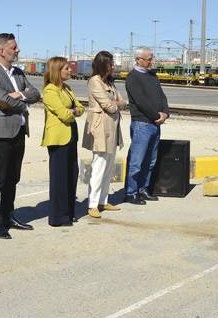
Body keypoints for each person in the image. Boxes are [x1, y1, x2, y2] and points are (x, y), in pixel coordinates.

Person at [0, 33, 41, 239]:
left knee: (12, 178)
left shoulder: (18, 73)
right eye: (14, 48)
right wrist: (22, 101)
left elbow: (35, 93)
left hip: (19, 131)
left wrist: (20, 94)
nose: (18, 50)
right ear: (2, 50)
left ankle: (8, 215)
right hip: (0, 133)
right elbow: (3, 101)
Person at [82, 51, 127, 218]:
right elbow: (111, 106)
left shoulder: (109, 82)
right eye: (111, 64)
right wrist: (117, 104)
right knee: (99, 165)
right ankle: (92, 204)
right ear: (103, 65)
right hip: (100, 128)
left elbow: (123, 102)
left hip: (113, 128)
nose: (113, 66)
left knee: (108, 167)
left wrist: (117, 104)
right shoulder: (94, 81)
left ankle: (103, 200)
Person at [41, 57, 85, 226]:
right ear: (57, 71)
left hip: (71, 135)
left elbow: (80, 107)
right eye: (66, 68)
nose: (70, 71)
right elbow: (64, 114)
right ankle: (58, 217)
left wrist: (73, 110)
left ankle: (69, 212)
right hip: (58, 138)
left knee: (72, 174)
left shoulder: (67, 88)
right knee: (59, 177)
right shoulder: (50, 91)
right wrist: (73, 111)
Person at [124, 47, 169, 205]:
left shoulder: (152, 76)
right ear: (138, 60)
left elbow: (162, 96)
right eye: (148, 59)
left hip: (155, 124)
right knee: (137, 161)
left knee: (150, 160)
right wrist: (157, 116)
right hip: (142, 124)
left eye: (151, 58)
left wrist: (165, 113)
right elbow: (141, 101)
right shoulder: (132, 78)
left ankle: (143, 189)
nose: (151, 61)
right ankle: (131, 192)